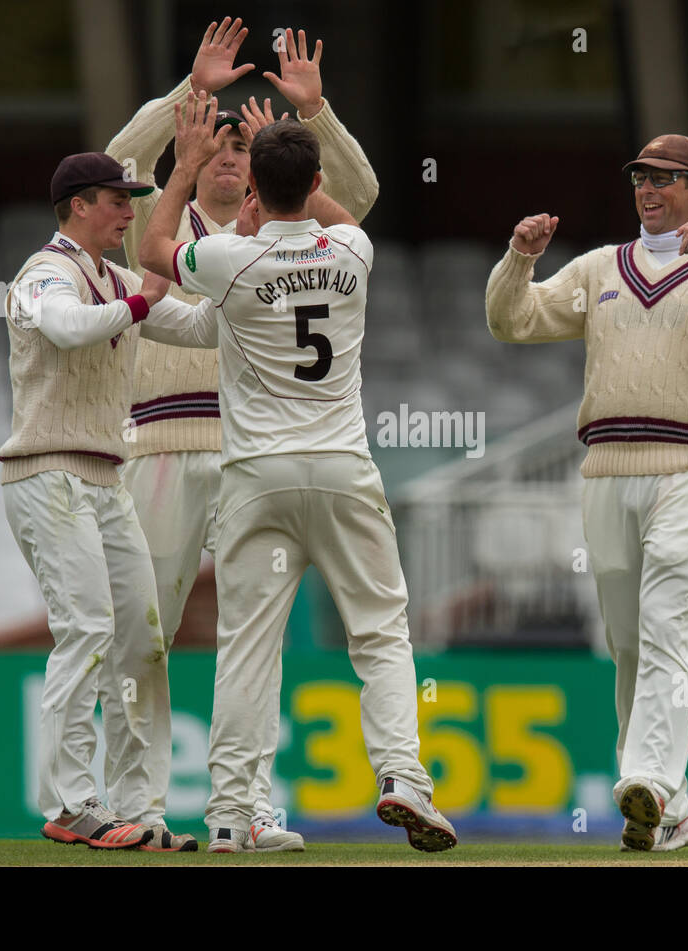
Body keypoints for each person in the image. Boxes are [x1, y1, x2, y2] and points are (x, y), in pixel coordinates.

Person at [138, 90, 456, 854]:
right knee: (379, 634)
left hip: (256, 478)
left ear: (253, 191)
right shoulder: (351, 251)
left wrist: (184, 171)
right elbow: (344, 216)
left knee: (247, 645)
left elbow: (152, 255)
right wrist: (301, 138)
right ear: (314, 181)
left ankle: (225, 817)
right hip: (344, 468)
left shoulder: (229, 260)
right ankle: (403, 776)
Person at [485, 134, 688, 851]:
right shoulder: (602, 267)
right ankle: (675, 813)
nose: (648, 189)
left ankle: (649, 782)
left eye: (664, 178)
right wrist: (520, 257)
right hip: (606, 467)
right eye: (639, 178)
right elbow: (512, 320)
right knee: (629, 643)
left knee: (668, 619)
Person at [105, 19, 380, 853]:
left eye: (239, 149)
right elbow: (120, 163)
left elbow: (360, 196)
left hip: (251, 451)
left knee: (251, 637)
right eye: (214, 144)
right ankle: (137, 804)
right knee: (142, 631)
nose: (227, 157)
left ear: (260, 169)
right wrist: (190, 97)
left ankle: (248, 806)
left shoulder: (291, 237)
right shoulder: (153, 219)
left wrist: (315, 114)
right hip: (159, 443)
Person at [0, 151, 219, 851]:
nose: (130, 213)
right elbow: (66, 328)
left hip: (104, 479)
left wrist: (245, 273)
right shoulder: (45, 273)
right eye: (118, 201)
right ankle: (70, 803)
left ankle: (134, 809)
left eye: (131, 201)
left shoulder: (113, 275)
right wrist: (140, 302)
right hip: (47, 473)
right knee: (88, 628)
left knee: (140, 640)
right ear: (79, 206)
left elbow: (198, 328)